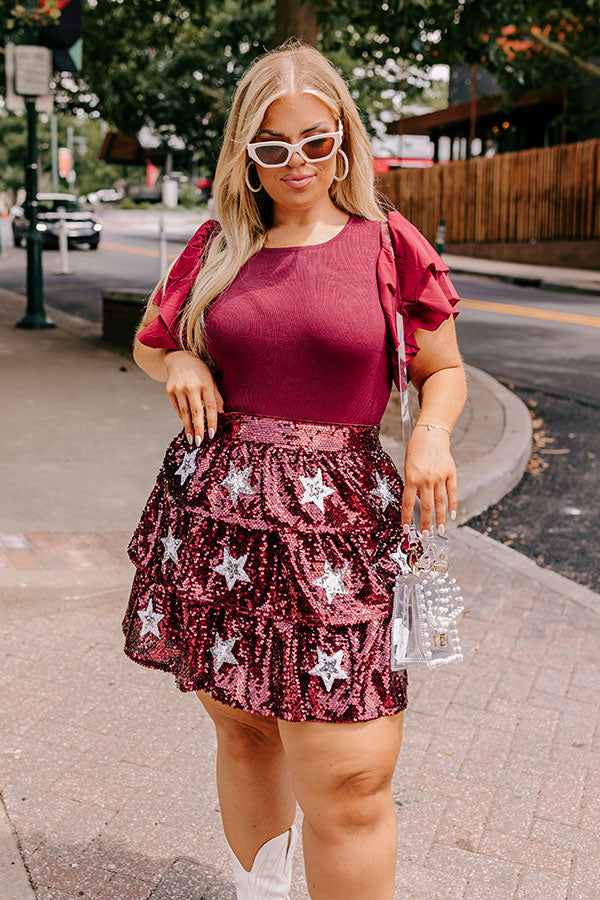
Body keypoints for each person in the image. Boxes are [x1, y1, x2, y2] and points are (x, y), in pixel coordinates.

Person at [122, 37, 466, 900]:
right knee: (244, 734)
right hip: (222, 524)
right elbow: (151, 341)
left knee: (352, 776)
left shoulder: (387, 244)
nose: (297, 162)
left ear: (344, 137)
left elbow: (445, 369)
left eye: (316, 140)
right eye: (272, 146)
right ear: (246, 151)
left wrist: (431, 433)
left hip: (341, 531)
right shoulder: (218, 246)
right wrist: (182, 361)